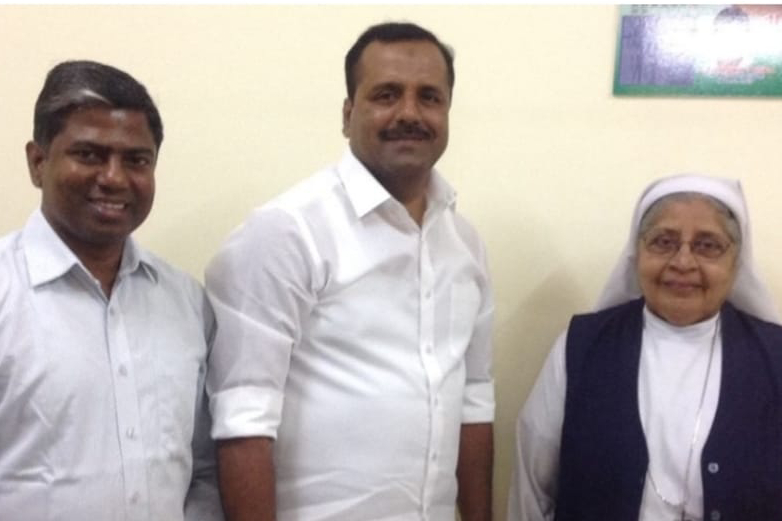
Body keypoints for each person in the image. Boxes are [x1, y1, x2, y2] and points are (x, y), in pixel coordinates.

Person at [206, 21, 495, 521]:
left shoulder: (464, 244)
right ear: (347, 114)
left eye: (429, 97)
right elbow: (243, 423)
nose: (410, 113)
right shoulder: (286, 233)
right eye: (386, 94)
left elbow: (474, 400)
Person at [0, 60, 223, 520]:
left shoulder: (185, 302)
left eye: (137, 160)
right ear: (38, 162)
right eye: (89, 155)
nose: (115, 178)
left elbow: (202, 467)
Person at [508, 174, 782, 521]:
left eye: (707, 245)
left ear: (736, 261)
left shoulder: (774, 358)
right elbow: (531, 488)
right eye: (663, 242)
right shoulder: (581, 348)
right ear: (636, 253)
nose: (683, 262)